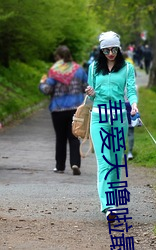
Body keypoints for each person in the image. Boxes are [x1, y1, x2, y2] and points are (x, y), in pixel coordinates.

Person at [85, 31, 138, 221]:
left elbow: (131, 90)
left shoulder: (127, 68)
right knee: (104, 161)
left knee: (115, 162)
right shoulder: (93, 68)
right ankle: (108, 206)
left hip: (119, 118)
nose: (110, 53)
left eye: (113, 49)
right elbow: (91, 95)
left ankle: (113, 201)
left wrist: (133, 104)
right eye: (106, 50)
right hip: (99, 118)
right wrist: (90, 92)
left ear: (119, 48)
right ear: (101, 50)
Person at [39, 45, 88, 175]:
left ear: (58, 57)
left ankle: (60, 166)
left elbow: (47, 90)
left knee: (60, 138)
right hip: (75, 109)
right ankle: (75, 163)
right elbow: (86, 87)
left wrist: (42, 83)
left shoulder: (54, 71)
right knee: (74, 137)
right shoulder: (79, 70)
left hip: (58, 109)